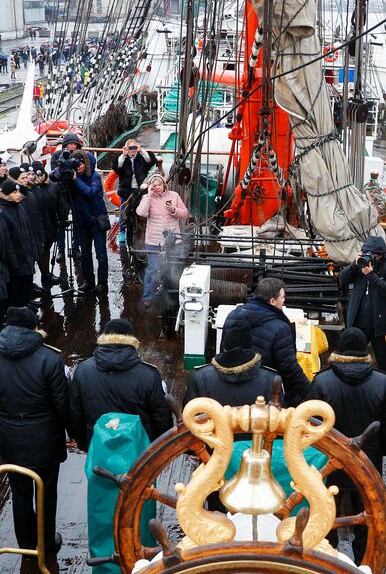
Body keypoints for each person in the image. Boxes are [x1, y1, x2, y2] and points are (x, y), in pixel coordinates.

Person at [0, 307, 71, 558]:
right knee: (47, 493)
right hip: (45, 437)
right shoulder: (50, 359)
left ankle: (27, 543)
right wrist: (72, 432)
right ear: (34, 328)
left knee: (19, 492)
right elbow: (62, 402)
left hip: (10, 435)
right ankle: (46, 542)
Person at [307, 328, 386, 562]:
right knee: (366, 512)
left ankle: (329, 559)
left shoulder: (322, 382)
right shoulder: (383, 382)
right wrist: (383, 450)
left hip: (329, 462)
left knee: (328, 512)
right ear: (364, 352)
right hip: (367, 461)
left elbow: (310, 424)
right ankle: (364, 562)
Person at [68, 318, 172, 449]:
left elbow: (76, 413)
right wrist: (158, 448)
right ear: (131, 340)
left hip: (99, 445)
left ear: (104, 338)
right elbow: (161, 417)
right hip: (139, 450)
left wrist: (85, 445)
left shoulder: (83, 370)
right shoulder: (148, 374)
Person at [229, 277, 310, 406]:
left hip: (231, 386)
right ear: (272, 301)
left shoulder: (233, 316)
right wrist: (310, 392)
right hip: (264, 390)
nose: (284, 301)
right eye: (282, 298)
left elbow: (225, 350)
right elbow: (289, 367)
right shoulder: (281, 328)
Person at [339, 235, 386, 374]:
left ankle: (385, 387)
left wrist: (371, 275)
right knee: (352, 359)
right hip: (359, 322)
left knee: (384, 362)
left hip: (380, 325)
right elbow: (343, 279)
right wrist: (354, 265)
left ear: (379, 256)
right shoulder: (359, 265)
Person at [184, 320, 282, 407]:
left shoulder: (201, 376)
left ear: (224, 347)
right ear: (250, 348)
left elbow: (189, 414)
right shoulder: (271, 379)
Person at [135, 173, 189, 307]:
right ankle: (148, 296)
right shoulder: (147, 197)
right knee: (153, 268)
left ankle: (170, 294)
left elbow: (185, 214)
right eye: (154, 185)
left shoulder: (174, 196)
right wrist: (148, 196)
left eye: (159, 184)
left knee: (172, 268)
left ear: (164, 185)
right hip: (154, 241)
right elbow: (141, 213)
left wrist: (173, 210)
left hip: (173, 240)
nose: (157, 187)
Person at [66, 145, 113, 295]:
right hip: (82, 222)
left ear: (86, 164)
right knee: (85, 255)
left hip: (96, 222)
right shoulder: (74, 175)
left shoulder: (94, 177)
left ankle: (102, 284)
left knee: (101, 255)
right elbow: (55, 176)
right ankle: (88, 281)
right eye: (76, 165)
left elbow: (90, 192)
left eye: (80, 165)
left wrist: (75, 179)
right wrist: (64, 167)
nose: (77, 168)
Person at [115, 139, 160, 248]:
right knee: (123, 211)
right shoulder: (123, 159)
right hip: (126, 190)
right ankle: (122, 232)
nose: (132, 150)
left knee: (140, 211)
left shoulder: (141, 158)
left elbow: (151, 161)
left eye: (134, 147)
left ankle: (140, 232)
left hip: (139, 189)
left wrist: (141, 150)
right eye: (130, 148)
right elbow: (117, 168)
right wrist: (123, 155)